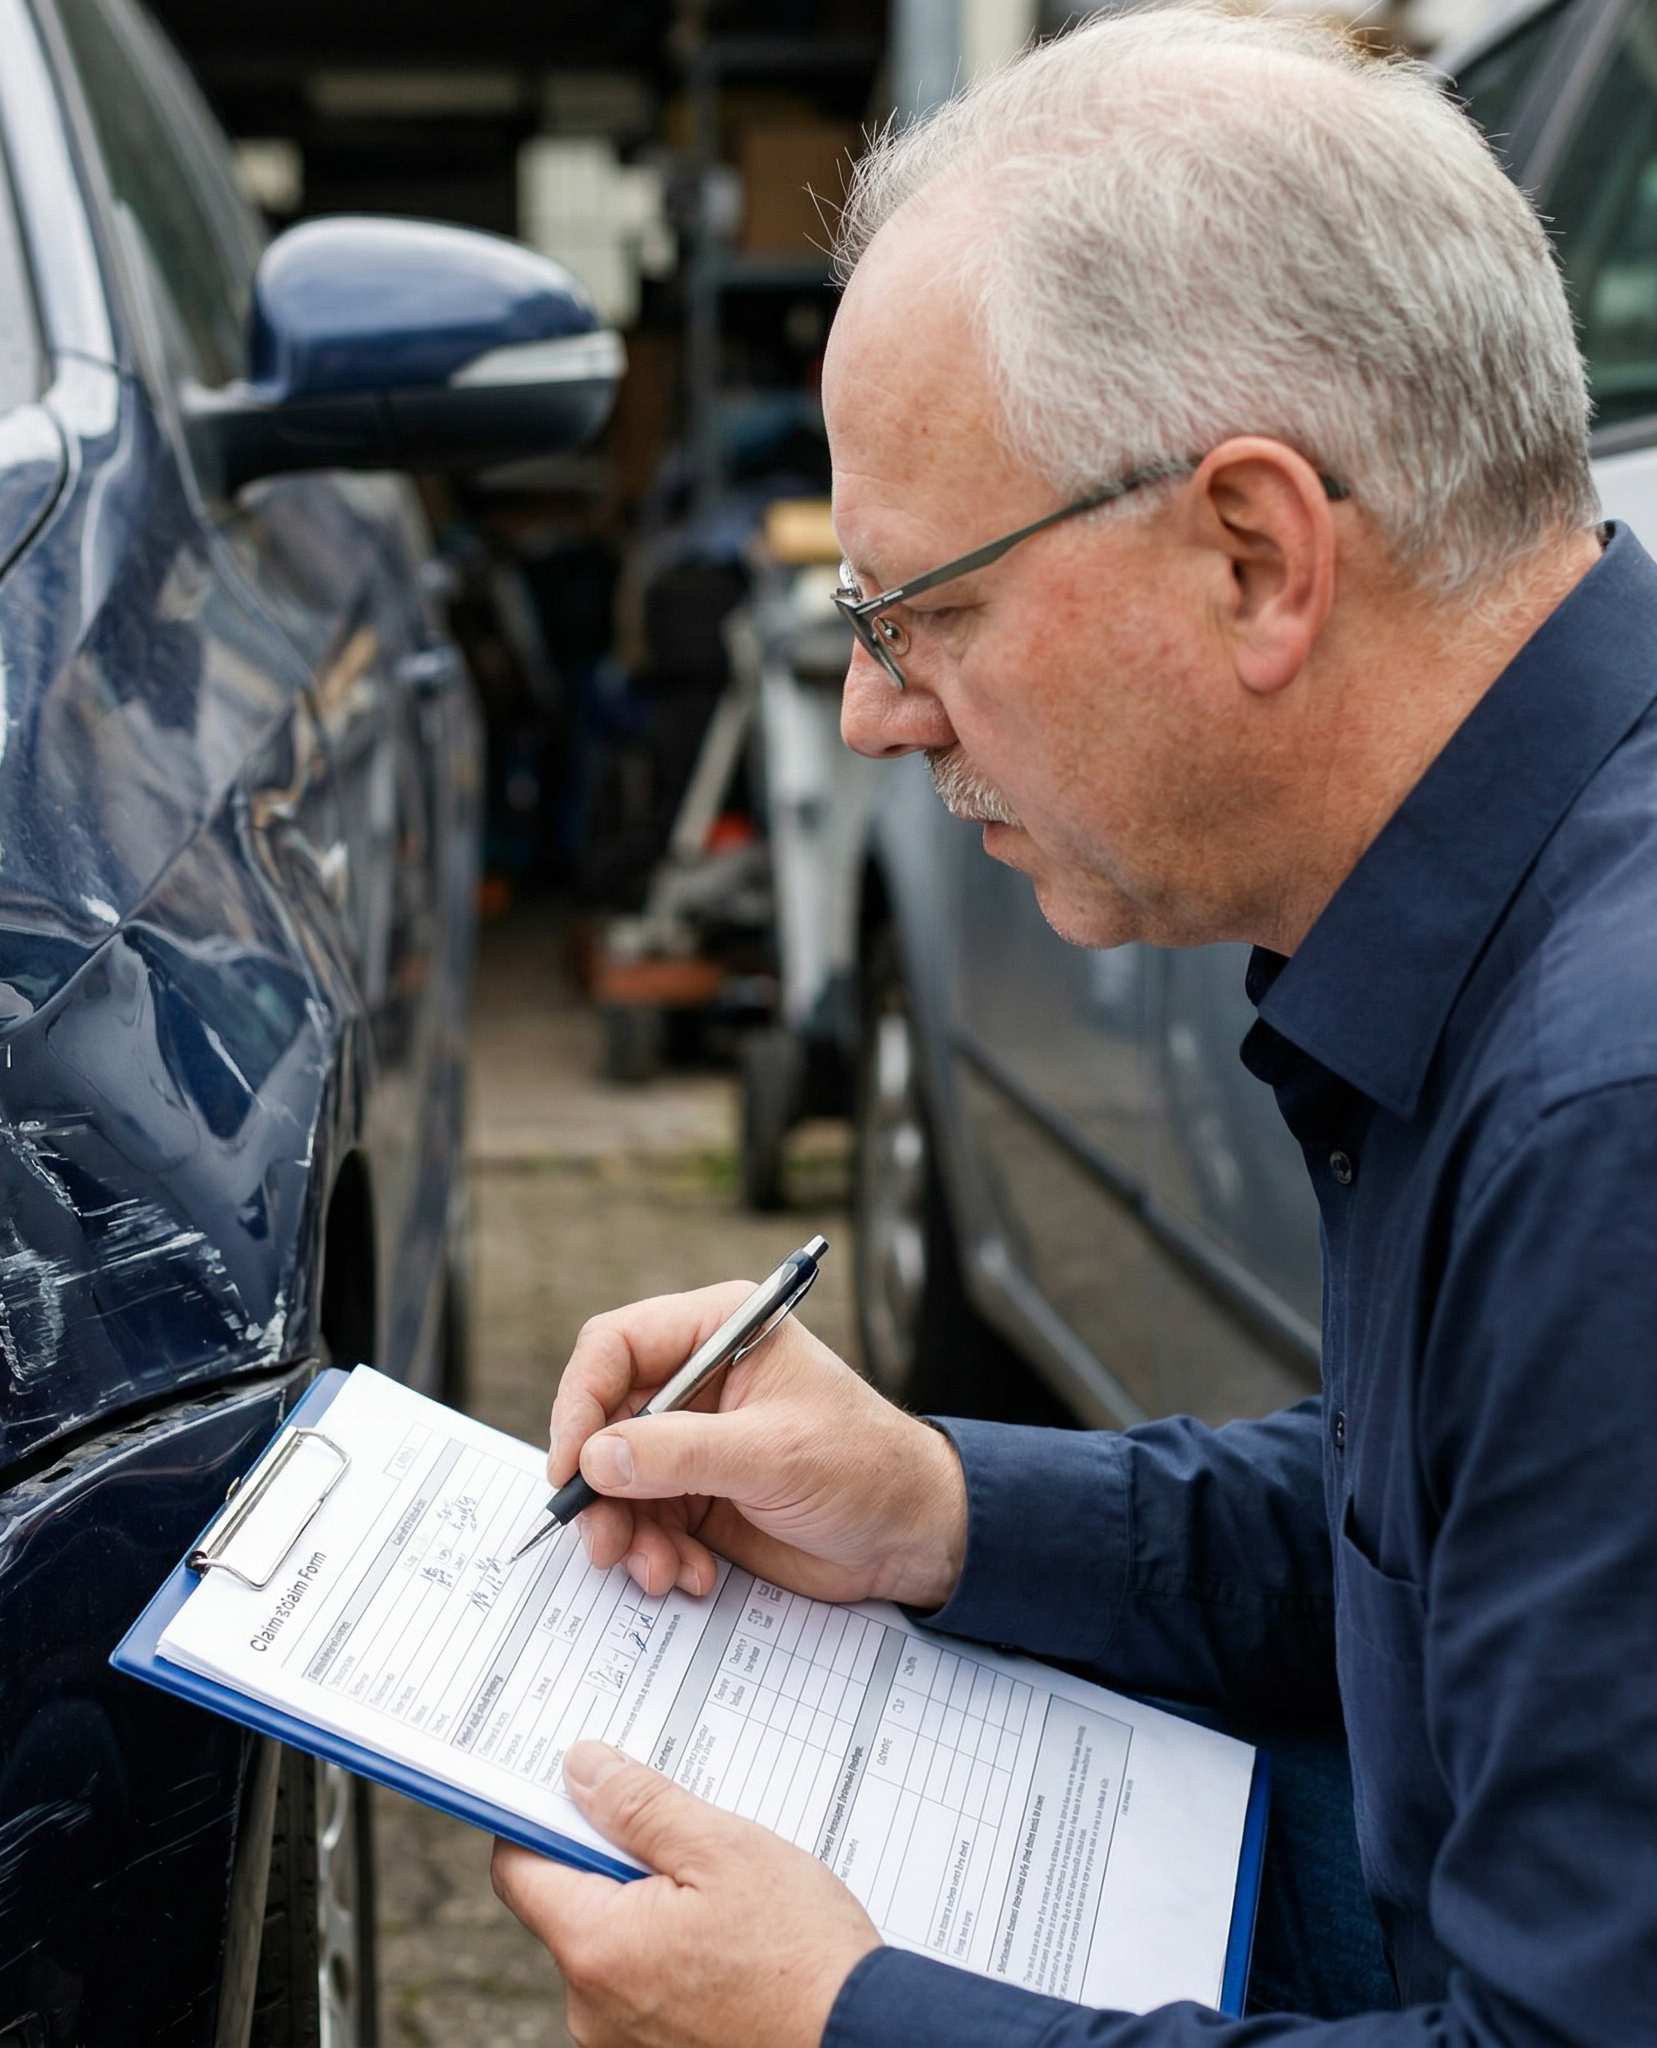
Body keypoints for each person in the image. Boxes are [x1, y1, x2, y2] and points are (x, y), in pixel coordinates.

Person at [487, 7, 1657, 2044]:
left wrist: (838, 2022)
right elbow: (1456, 1533)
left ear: (1254, 556)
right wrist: (933, 1506)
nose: (872, 714)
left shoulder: (1605, 1115)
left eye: (920, 612)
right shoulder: (1549, 916)